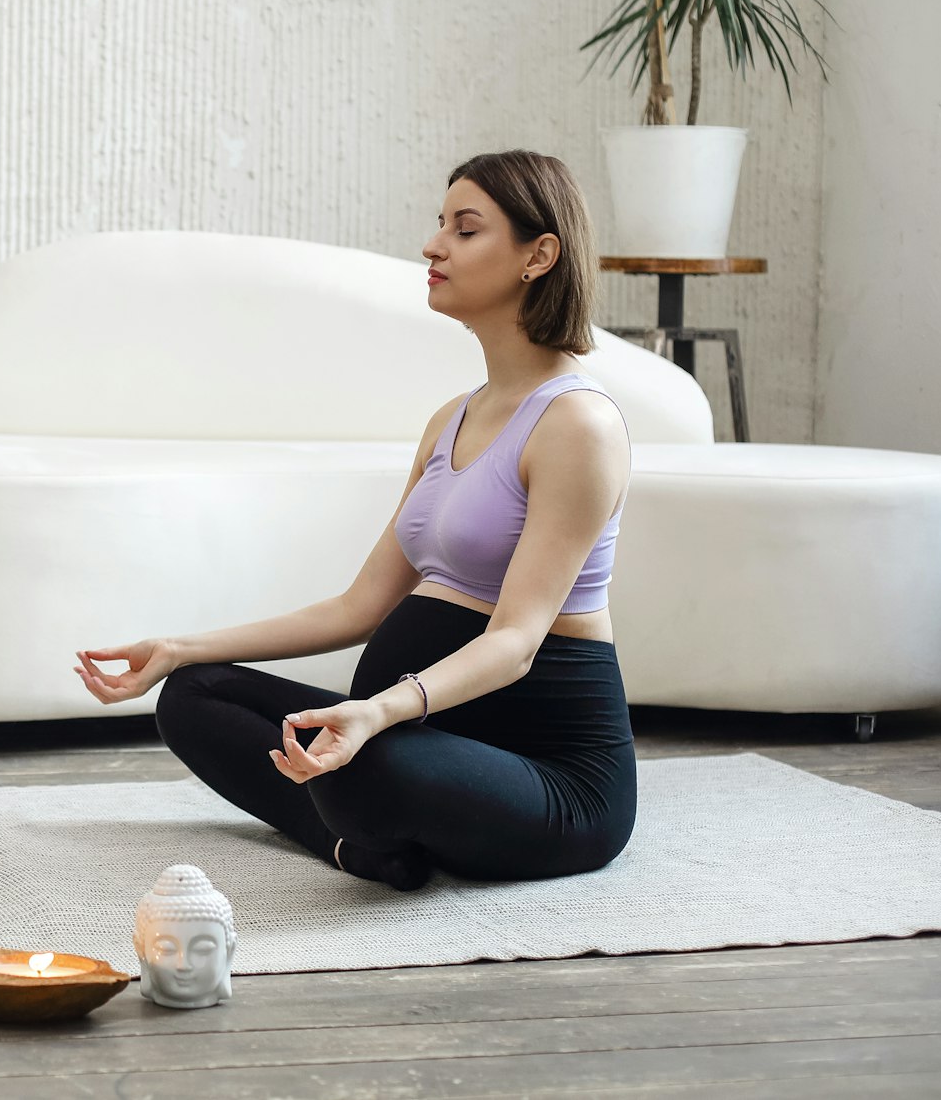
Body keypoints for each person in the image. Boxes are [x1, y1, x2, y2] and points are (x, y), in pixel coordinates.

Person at [74, 150, 636, 892]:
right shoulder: (450, 420)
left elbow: (515, 643)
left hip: (553, 778)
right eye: (440, 225)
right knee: (193, 695)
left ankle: (354, 811)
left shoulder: (577, 425)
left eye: (465, 230)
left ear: (539, 254)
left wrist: (377, 710)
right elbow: (360, 606)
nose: (433, 245)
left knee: (358, 765)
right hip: (425, 732)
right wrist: (177, 646)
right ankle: (354, 845)